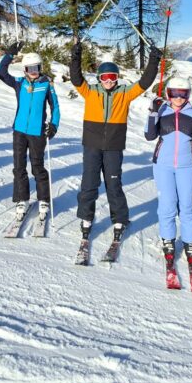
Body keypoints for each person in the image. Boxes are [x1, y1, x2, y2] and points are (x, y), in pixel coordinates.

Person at [70, 40, 161, 242]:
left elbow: (144, 82)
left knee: (114, 184)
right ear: (99, 78)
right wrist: (75, 55)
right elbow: (76, 79)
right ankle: (86, 218)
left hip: (113, 146)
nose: (109, 81)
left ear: (117, 78)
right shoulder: (90, 91)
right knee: (89, 183)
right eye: (105, 77)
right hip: (92, 145)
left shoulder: (124, 94)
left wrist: (154, 60)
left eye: (112, 77)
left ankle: (119, 219)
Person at [144, 76, 192, 265]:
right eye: (174, 93)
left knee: (187, 205)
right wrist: (152, 112)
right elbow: (149, 135)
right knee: (167, 203)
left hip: (186, 166)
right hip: (163, 166)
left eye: (183, 94)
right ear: (168, 93)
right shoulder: (161, 110)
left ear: (188, 95)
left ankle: (190, 241)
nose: (178, 98)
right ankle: (168, 239)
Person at [0, 42, 60, 223]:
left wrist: (53, 125)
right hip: (19, 131)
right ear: (24, 69)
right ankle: (21, 199)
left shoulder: (46, 84)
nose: (34, 71)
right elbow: (2, 73)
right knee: (19, 167)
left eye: (37, 67)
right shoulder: (19, 83)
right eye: (30, 68)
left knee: (37, 167)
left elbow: (55, 107)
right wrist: (9, 55)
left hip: (37, 132)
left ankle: (43, 200)